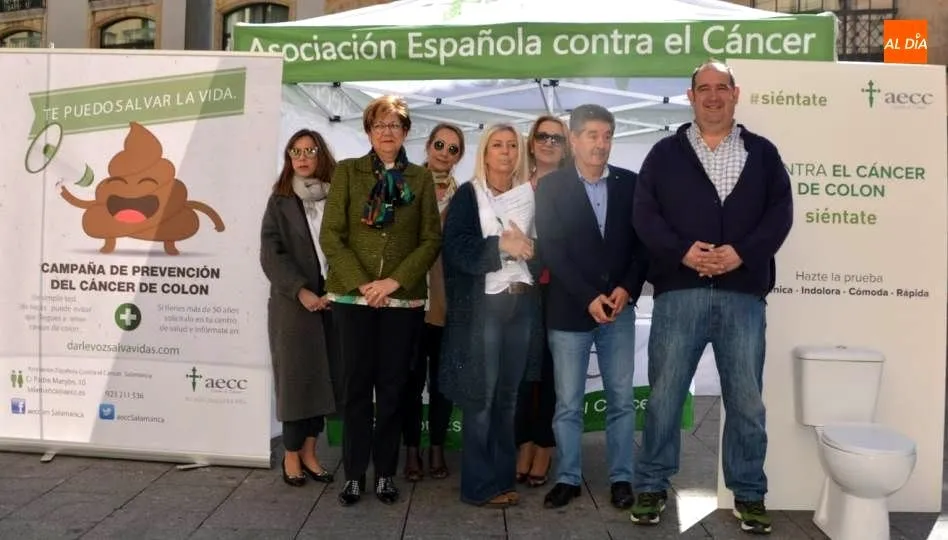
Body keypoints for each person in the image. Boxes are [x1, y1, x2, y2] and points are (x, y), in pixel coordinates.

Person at [630, 60, 793, 535]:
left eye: (722, 87)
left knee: (746, 401)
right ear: (691, 96)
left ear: (735, 94)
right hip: (679, 293)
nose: (714, 96)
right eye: (705, 88)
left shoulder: (763, 154)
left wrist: (742, 254)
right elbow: (645, 215)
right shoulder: (664, 154)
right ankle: (652, 486)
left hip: (743, 296)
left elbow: (780, 214)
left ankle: (749, 492)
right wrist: (683, 252)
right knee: (663, 397)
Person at [320, 95, 442, 507]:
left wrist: (393, 281)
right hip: (352, 299)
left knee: (393, 389)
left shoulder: (421, 178)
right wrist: (363, 283)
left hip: (401, 301)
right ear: (368, 131)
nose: (387, 132)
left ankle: (386, 472)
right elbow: (331, 235)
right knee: (355, 388)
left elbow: (431, 239)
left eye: (394, 125)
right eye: (379, 125)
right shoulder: (347, 171)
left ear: (406, 132)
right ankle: (354, 475)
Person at [535, 104, 648, 510]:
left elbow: (643, 246)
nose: (601, 144)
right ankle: (568, 478)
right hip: (569, 312)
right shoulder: (551, 187)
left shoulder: (631, 184)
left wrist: (627, 288)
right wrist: (588, 297)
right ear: (574, 139)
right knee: (567, 403)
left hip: (619, 310)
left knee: (621, 399)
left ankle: (621, 478)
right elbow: (553, 250)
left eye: (607, 135)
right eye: (592, 135)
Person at [439, 123, 541, 509]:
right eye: (497, 145)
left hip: (520, 303)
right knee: (481, 397)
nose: (506, 151)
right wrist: (500, 245)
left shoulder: (528, 196)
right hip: (484, 308)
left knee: (508, 397)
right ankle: (477, 486)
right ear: (484, 152)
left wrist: (531, 247)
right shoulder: (469, 195)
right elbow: (455, 249)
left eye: (512, 145)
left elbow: (544, 248)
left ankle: (502, 478)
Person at [260, 128, 338, 487]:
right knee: (295, 382)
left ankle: (310, 452)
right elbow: (270, 254)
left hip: (332, 303)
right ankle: (291, 454)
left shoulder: (337, 195)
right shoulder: (279, 201)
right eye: (295, 152)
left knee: (324, 381)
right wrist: (300, 290)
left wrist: (337, 289)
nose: (303, 158)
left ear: (321, 155)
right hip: (293, 306)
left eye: (309, 151)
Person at [401, 123, 466, 482]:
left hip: (446, 305)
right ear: (427, 146)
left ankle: (437, 447)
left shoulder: (465, 197)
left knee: (443, 382)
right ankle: (412, 449)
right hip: (408, 301)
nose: (444, 152)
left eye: (453, 149)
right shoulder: (405, 185)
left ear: (459, 157)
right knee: (410, 382)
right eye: (439, 144)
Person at [515, 115, 570, 488]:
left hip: (560, 290)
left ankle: (545, 445)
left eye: (557, 138)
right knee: (522, 372)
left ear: (566, 147)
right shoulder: (515, 185)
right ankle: (523, 440)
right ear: (531, 143)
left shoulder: (575, 187)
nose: (549, 142)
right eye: (543, 136)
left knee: (551, 372)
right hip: (520, 289)